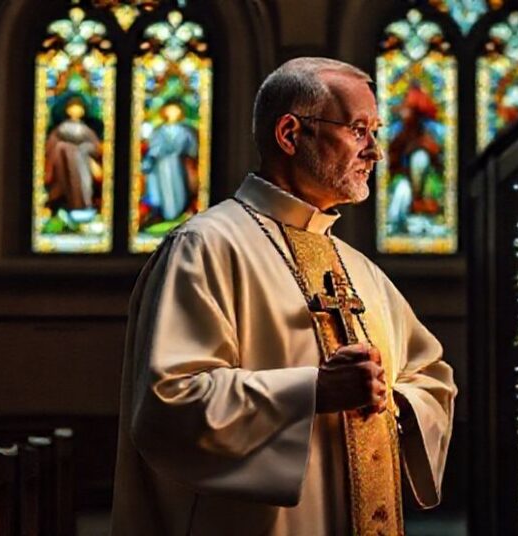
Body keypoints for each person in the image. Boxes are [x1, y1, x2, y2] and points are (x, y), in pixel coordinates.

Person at [111, 57, 457, 535]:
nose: (376, 151)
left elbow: (431, 375)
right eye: (359, 130)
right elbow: (170, 404)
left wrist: (394, 401)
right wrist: (313, 391)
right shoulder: (206, 246)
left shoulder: (359, 269)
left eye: (376, 131)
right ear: (291, 133)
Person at [44, 95, 103, 225]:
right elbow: (51, 146)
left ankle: (84, 208)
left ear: (83, 111)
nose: (75, 111)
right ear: (67, 110)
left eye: (78, 108)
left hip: (83, 167)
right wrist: (65, 149)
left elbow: (96, 147)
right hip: (63, 167)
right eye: (72, 108)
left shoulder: (86, 130)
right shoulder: (61, 129)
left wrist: (84, 150)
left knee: (84, 186)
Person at [142, 99, 199, 223]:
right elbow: (153, 148)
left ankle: (179, 213)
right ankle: (166, 214)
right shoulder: (158, 131)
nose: (172, 113)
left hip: (178, 165)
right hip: (161, 166)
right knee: (163, 190)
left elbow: (192, 148)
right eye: (169, 110)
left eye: (175, 110)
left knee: (179, 189)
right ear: (164, 112)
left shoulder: (185, 131)